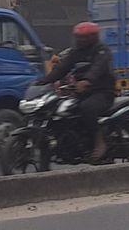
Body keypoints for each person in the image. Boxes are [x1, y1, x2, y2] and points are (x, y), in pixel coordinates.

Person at [38, 22, 115, 162]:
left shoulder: (102, 51)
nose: (81, 40)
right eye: (79, 37)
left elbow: (97, 68)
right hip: (81, 93)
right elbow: (62, 68)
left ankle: (99, 142)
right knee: (61, 110)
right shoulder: (76, 52)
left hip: (102, 92)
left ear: (93, 37)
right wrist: (44, 80)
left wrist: (87, 81)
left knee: (87, 108)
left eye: (84, 37)